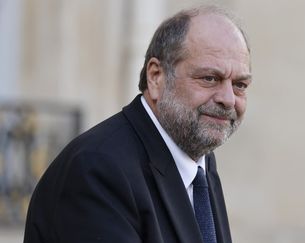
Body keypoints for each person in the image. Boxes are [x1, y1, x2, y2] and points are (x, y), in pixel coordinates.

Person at [24, 5, 251, 243]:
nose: (228, 99)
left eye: (240, 85)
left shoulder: (199, 164)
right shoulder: (97, 169)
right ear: (156, 77)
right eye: (209, 78)